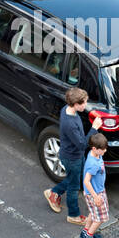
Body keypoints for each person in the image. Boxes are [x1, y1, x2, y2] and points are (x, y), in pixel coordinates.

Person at [44, 87, 100, 226]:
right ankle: (73, 215)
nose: (85, 105)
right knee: (74, 187)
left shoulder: (66, 109)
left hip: (72, 155)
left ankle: (54, 193)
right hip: (72, 158)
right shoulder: (70, 124)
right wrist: (94, 128)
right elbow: (82, 144)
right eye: (84, 103)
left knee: (73, 179)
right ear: (76, 104)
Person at [80, 133, 108, 238]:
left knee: (93, 213)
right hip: (95, 194)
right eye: (102, 149)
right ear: (94, 149)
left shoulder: (95, 155)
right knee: (100, 218)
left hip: (98, 191)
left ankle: (85, 232)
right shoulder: (93, 164)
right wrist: (96, 196)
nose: (105, 151)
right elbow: (87, 181)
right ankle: (88, 237)